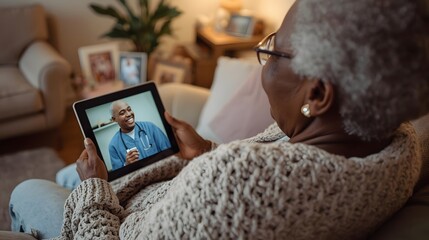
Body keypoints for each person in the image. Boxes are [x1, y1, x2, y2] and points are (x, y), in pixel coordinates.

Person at [9, 0, 429, 239]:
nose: (263, 63)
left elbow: (235, 190)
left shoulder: (234, 185)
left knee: (31, 189)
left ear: (316, 95)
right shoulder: (400, 150)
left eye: (272, 51)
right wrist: (205, 151)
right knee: (71, 172)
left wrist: (96, 188)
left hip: (116, 222)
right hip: (160, 193)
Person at [108, 100, 171, 170]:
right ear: (114, 119)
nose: (128, 114)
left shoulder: (150, 127)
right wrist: (127, 165)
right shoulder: (113, 145)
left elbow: (169, 151)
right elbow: (118, 174)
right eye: (122, 113)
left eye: (129, 109)